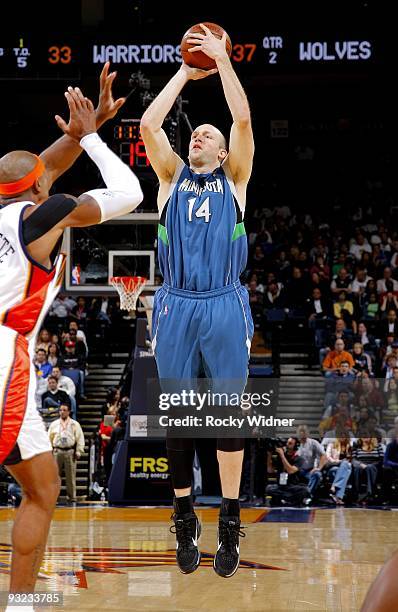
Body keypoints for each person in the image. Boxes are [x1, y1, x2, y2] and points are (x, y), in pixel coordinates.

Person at [0, 68, 143, 608]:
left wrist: (85, 128)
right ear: (39, 187)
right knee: (40, 491)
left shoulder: (14, 205)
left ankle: (21, 603)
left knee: (43, 487)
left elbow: (37, 169)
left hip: (9, 359)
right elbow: (128, 192)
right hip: (4, 358)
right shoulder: (46, 216)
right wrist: (93, 137)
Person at [140, 24, 254, 578]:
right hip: (176, 303)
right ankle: (185, 512)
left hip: (224, 303)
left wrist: (223, 60)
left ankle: (229, 517)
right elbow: (148, 124)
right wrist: (186, 72)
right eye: (197, 134)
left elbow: (242, 119)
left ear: (225, 150)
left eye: (208, 134)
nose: (199, 138)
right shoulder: (171, 178)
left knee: (228, 416)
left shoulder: (234, 179)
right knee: (180, 420)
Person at [48, 404, 85, 504]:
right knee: (55, 476)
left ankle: (72, 497)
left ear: (69, 412)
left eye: (64, 410)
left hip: (70, 451)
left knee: (71, 477)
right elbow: (49, 438)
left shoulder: (74, 424)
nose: (62, 412)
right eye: (60, 410)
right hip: (57, 451)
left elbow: (80, 439)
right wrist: (49, 452)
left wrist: (79, 451)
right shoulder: (54, 424)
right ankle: (54, 497)